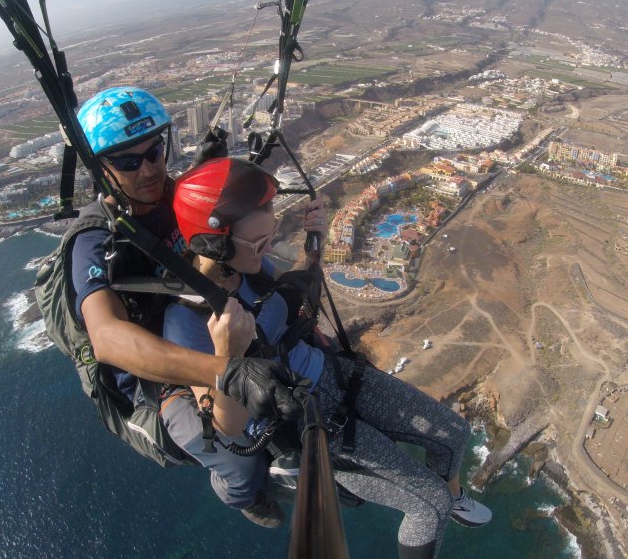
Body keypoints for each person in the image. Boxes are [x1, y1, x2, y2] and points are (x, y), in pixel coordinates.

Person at [163, 157, 493, 559]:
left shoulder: (247, 266)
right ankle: (445, 502)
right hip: (306, 419)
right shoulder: (187, 320)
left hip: (334, 374)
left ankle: (454, 496)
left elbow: (291, 298)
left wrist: (313, 245)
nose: (267, 249)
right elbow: (227, 425)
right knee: (429, 506)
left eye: (270, 236)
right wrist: (228, 355)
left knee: (454, 432)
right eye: (259, 243)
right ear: (214, 244)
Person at [66, 86, 304, 527]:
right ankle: (240, 495)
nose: (148, 169)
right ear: (101, 169)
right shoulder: (94, 242)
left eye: (154, 152)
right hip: (156, 379)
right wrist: (226, 372)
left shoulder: (170, 196)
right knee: (235, 456)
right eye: (127, 162)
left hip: (201, 324)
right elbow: (107, 338)